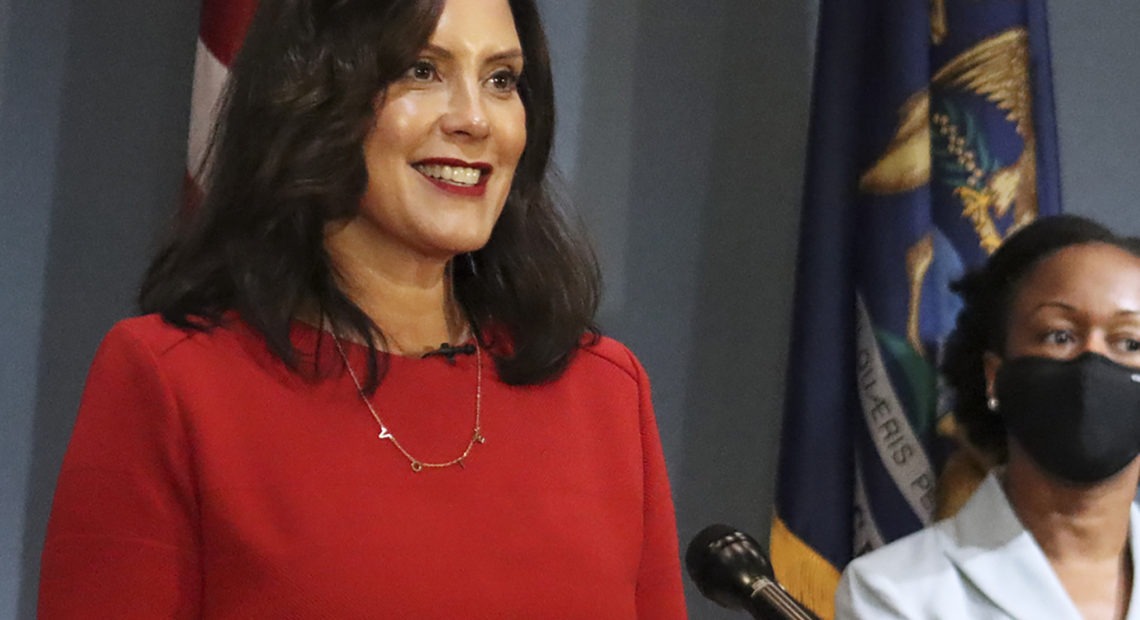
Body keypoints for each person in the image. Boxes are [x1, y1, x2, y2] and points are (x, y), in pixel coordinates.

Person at [37, 0, 687, 617]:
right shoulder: (173, 383)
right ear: (317, 93)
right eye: (422, 70)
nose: (475, 119)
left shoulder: (605, 395)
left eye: (501, 78)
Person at [836, 214, 1140, 620]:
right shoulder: (895, 591)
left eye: (1129, 341)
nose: (1093, 361)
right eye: (1059, 335)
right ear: (994, 377)